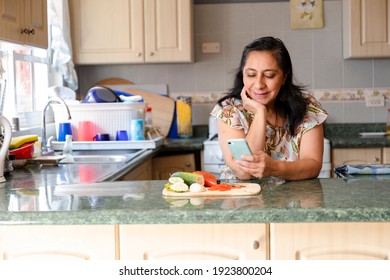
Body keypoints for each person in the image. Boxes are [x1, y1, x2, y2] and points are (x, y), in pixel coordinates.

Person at [210, 36, 328, 181]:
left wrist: (274, 168)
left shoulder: (308, 109)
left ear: (285, 76)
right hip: (243, 201)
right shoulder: (229, 110)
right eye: (251, 75)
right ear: (243, 75)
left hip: (294, 200)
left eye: (269, 75)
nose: (259, 84)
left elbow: (313, 165)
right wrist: (260, 113)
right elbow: (244, 172)